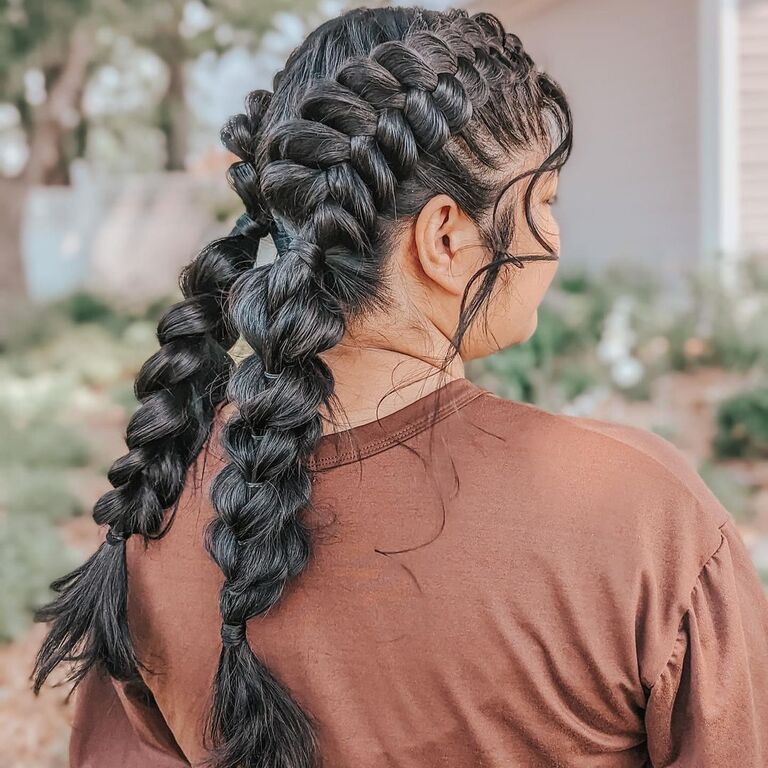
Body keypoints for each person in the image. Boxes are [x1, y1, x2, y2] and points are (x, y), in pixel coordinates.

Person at [31, 6, 768, 768]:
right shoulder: (644, 517)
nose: (554, 239)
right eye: (542, 202)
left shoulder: (155, 508)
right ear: (446, 238)